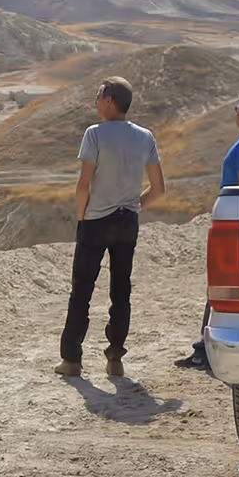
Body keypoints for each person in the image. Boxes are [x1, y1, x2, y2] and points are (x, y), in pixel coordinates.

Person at [56, 76, 165, 378]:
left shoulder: (94, 134)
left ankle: (72, 359)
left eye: (99, 95)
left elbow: (83, 184)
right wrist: (134, 205)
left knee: (82, 290)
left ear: (109, 100)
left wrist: (82, 216)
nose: (95, 100)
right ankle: (115, 358)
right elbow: (158, 188)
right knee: (121, 290)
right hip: (127, 221)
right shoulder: (145, 136)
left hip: (95, 221)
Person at [174, 90, 239, 370]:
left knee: (222, 288)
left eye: (236, 110)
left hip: (237, 225)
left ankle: (205, 350)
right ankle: (205, 347)